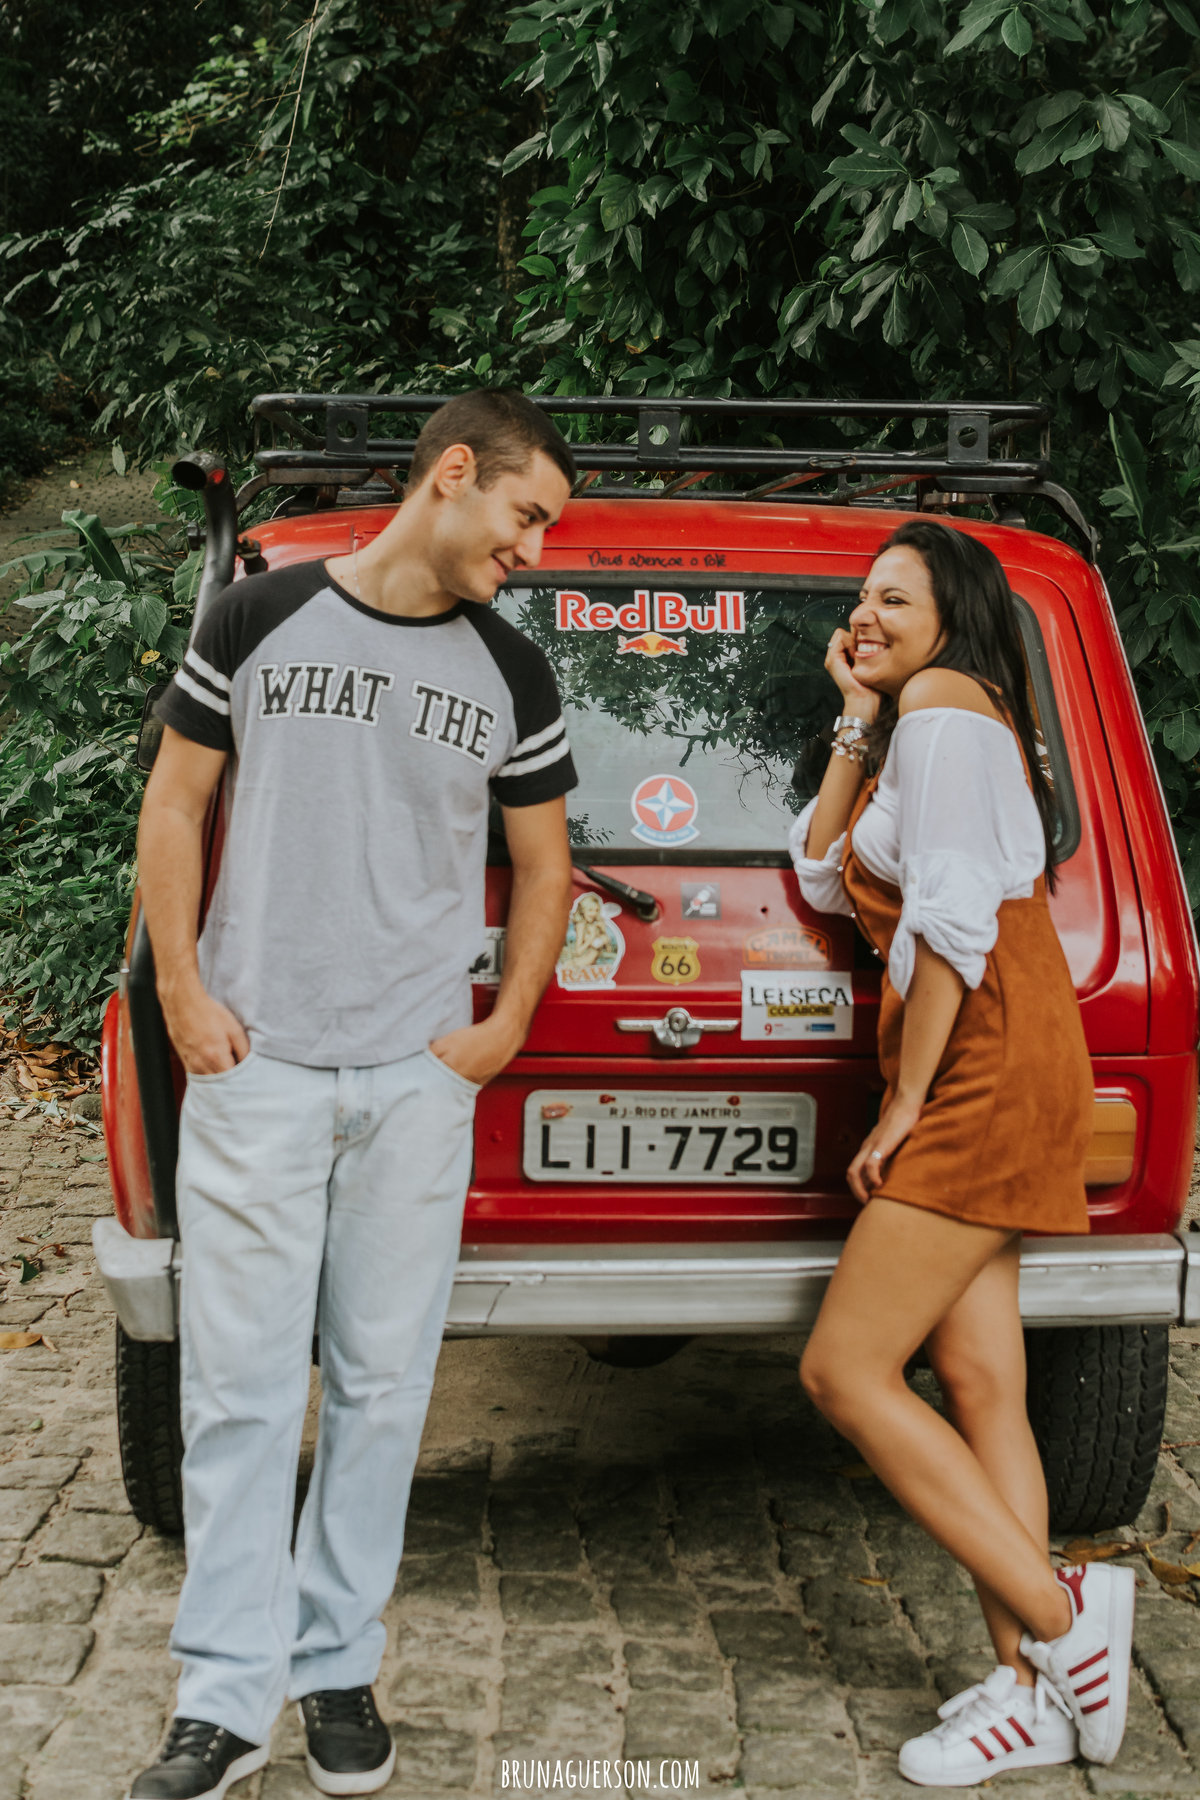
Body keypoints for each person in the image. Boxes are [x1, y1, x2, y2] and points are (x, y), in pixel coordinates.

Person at [128, 390, 578, 1800]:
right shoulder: (257, 621)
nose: (536, 549)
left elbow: (547, 865)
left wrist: (501, 1028)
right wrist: (184, 995)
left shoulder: (513, 671)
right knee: (241, 1392)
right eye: (528, 515)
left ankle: (333, 1672)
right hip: (256, 1068)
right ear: (456, 475)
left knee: (382, 1393)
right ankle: (220, 1699)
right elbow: (175, 806)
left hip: (410, 1079)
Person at [789, 520, 1134, 1788]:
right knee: (981, 1380)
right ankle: (1026, 1693)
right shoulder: (921, 722)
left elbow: (944, 929)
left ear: (955, 615)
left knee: (844, 1370)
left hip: (979, 1063)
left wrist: (904, 1107)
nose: (866, 615)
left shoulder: (943, 712)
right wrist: (847, 715)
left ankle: (1061, 1624)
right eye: (861, 598)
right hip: (1007, 1052)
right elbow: (825, 876)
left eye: (895, 597)